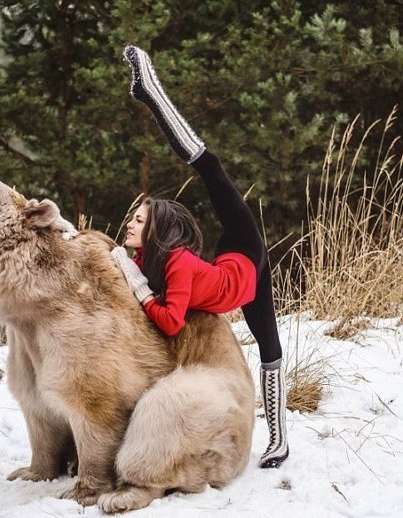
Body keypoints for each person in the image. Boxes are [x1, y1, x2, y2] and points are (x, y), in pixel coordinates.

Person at [110, 45, 289, 469]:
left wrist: (139, 285)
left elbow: (166, 314)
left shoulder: (175, 263)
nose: (130, 224)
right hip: (230, 274)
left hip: (246, 250)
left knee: (209, 166)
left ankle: (151, 89)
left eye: (139, 219)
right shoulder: (156, 263)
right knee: (269, 346)